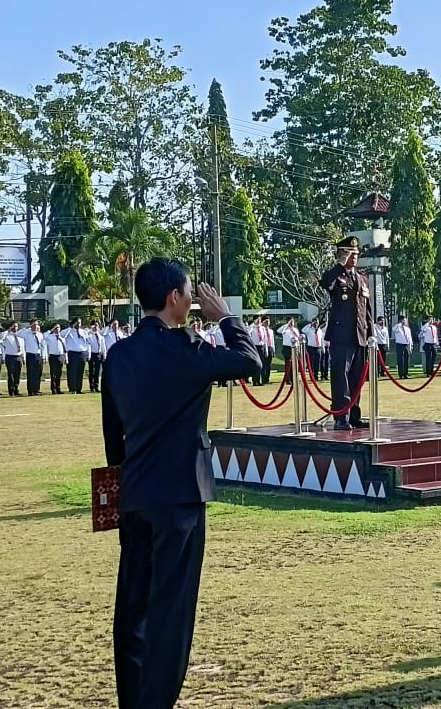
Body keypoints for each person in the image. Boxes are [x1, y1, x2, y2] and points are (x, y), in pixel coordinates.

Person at [102, 259, 260, 709]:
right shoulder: (188, 350)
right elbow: (250, 361)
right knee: (171, 612)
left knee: (133, 607)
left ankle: (132, 700)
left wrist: (123, 484)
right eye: (190, 293)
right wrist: (226, 318)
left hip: (134, 494)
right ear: (174, 297)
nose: (194, 300)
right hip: (180, 499)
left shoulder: (118, 355)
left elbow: (114, 440)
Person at [319, 237, 373, 430]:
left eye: (356, 255)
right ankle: (341, 417)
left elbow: (367, 310)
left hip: (360, 336)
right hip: (341, 336)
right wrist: (339, 265)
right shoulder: (337, 276)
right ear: (342, 255)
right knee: (341, 378)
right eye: (351, 254)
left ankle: (354, 416)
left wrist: (370, 333)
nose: (354, 258)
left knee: (357, 378)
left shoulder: (362, 278)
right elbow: (325, 283)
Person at [62, 318, 91, 394]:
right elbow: (62, 335)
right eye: (77, 323)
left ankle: (78, 389)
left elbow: (88, 342)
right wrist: (70, 327)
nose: (78, 324)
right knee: (72, 371)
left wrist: (88, 353)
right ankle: (72, 388)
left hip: (82, 353)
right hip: (72, 353)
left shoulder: (83, 332)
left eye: (80, 323)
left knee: (80, 372)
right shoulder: (69, 331)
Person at [2, 322, 26, 397]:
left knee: (17, 374)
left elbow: (22, 349)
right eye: (14, 326)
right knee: (11, 374)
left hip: (18, 357)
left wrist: (23, 358)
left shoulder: (20, 338)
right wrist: (9, 329)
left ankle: (16, 389)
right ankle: (11, 390)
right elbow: (1, 337)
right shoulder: (7, 336)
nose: (15, 328)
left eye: (16, 326)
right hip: (10, 357)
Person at [24, 320, 47, 396]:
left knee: (38, 373)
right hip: (30, 355)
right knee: (31, 373)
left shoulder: (40, 334)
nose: (35, 326)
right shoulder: (26, 333)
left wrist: (43, 356)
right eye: (34, 325)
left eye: (37, 325)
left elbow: (43, 346)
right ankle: (31, 390)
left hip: (38, 355)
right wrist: (27, 328)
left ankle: (37, 389)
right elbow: (17, 333)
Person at [44, 324, 66, 395]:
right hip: (53, 356)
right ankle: (53, 389)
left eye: (58, 327)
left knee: (59, 373)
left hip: (60, 356)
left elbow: (64, 348)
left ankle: (58, 388)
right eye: (56, 328)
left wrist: (66, 358)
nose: (57, 329)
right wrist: (51, 330)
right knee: (53, 373)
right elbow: (44, 336)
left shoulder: (62, 338)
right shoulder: (50, 337)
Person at [88, 322, 108, 393]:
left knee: (97, 372)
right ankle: (92, 387)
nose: (96, 327)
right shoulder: (89, 335)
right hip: (92, 354)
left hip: (99, 355)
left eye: (97, 326)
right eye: (94, 326)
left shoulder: (100, 336)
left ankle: (96, 386)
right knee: (92, 371)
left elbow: (103, 346)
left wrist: (104, 355)